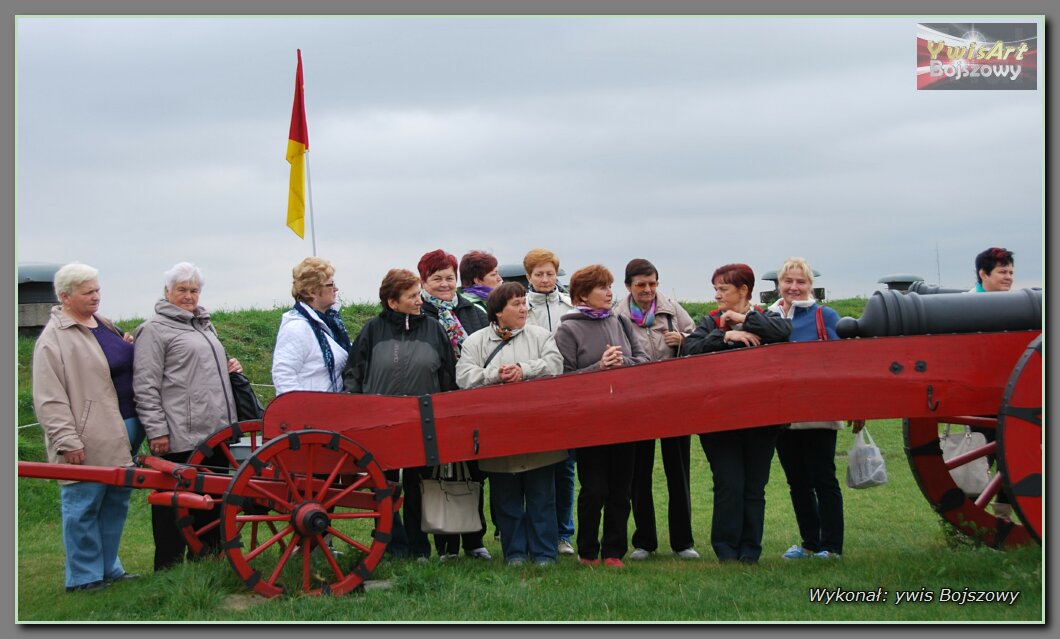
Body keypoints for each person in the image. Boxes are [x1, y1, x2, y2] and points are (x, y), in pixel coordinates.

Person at [32, 263, 141, 592]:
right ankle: (83, 577)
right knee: (83, 503)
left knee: (115, 502)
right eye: (87, 292)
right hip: (86, 435)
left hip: (123, 430)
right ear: (65, 297)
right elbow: (49, 397)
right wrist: (66, 439)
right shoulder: (53, 340)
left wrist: (129, 345)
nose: (96, 296)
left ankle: (109, 567)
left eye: (97, 289)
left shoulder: (103, 325)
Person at [342, 268, 458, 561]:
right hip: (380, 423)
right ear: (393, 302)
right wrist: (356, 409)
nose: (419, 301)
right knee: (385, 486)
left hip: (424, 422)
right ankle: (391, 544)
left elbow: (447, 375)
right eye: (412, 296)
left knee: (419, 485)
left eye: (419, 294)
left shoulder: (434, 329)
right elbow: (354, 372)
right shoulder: (371, 330)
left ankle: (420, 546)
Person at [133, 262, 242, 571]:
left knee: (214, 498)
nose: (189, 296)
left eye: (194, 290)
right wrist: (156, 431)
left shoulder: (204, 325)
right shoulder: (153, 330)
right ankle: (168, 567)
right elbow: (145, 384)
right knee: (172, 504)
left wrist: (228, 365)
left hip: (216, 431)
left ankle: (209, 561)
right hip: (181, 431)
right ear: (167, 292)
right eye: (182, 290)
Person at [681, 263, 791, 564]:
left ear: (743, 291)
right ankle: (727, 551)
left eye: (723, 289)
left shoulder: (765, 318)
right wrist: (726, 337)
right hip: (719, 423)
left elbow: (783, 332)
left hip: (762, 422)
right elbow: (689, 350)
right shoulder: (711, 322)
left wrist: (746, 321)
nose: (717, 295)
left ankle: (750, 552)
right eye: (715, 289)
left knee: (755, 487)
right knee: (729, 485)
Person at [456, 282, 565, 566]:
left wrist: (524, 370)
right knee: (507, 500)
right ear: (498, 312)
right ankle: (514, 553)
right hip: (497, 433)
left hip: (537, 429)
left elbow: (555, 365)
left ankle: (544, 554)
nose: (524, 308)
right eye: (516, 304)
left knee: (542, 497)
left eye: (524, 302)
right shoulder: (475, 342)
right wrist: (495, 375)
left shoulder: (542, 336)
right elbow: (464, 376)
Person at [554, 264, 649, 568]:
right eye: (602, 287)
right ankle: (587, 551)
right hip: (590, 423)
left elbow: (643, 360)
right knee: (594, 489)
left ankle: (613, 552)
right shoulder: (568, 328)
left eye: (610, 286)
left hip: (625, 418)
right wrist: (599, 368)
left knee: (621, 489)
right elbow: (563, 378)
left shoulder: (619, 321)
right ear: (583, 294)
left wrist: (623, 361)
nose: (610, 292)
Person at [766, 257, 855, 560]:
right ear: (780, 284)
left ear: (809, 285)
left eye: (800, 282)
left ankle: (832, 545)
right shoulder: (769, 316)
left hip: (817, 412)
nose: (793, 287)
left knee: (823, 478)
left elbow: (843, 361)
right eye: (788, 281)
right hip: (782, 413)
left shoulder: (824, 316)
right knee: (797, 482)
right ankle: (809, 542)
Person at [613, 258, 699, 561]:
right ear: (628, 287)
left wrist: (684, 340)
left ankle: (683, 542)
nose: (648, 290)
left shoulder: (672, 309)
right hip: (636, 404)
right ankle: (644, 542)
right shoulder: (617, 316)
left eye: (652, 283)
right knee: (639, 474)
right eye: (641, 285)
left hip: (674, 401)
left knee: (679, 472)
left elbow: (701, 339)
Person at [416, 249, 492, 561]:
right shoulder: (419, 314)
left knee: (474, 471)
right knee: (436, 472)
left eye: (450, 278)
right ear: (424, 280)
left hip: (470, 399)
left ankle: (475, 540)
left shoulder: (472, 310)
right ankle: (445, 543)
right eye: (437, 278)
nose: (445, 284)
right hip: (435, 401)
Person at [522, 248, 578, 557]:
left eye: (550, 273)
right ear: (529, 276)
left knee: (566, 467)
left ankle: (562, 532)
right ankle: (535, 528)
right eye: (539, 274)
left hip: (565, 391)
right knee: (533, 465)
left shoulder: (570, 306)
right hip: (532, 391)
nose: (545, 279)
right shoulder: (521, 307)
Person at [969, 247, 1015, 521]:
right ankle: (970, 514)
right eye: (1002, 272)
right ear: (983, 274)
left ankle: (1002, 515)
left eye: (1010, 272)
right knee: (980, 457)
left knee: (1012, 457)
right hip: (979, 395)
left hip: (1010, 392)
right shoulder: (969, 305)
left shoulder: (1015, 304)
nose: (1008, 277)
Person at [272, 257, 351, 394]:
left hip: (331, 409)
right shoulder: (297, 328)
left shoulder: (332, 324)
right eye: (330, 284)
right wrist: (304, 410)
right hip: (310, 412)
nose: (336, 289)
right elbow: (283, 376)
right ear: (312, 292)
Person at [457, 250, 502, 314]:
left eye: (498, 273)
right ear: (478, 280)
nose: (499, 278)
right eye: (493, 274)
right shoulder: (472, 308)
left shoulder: (491, 301)